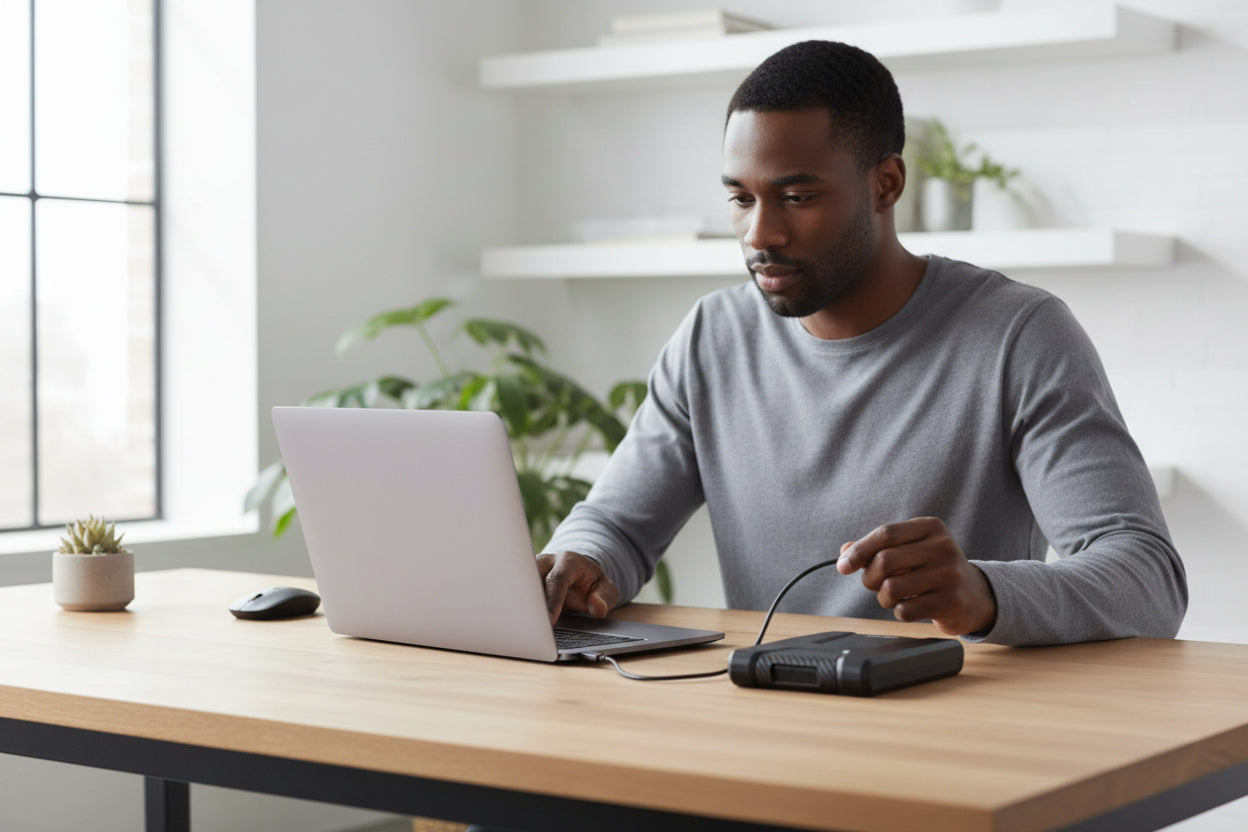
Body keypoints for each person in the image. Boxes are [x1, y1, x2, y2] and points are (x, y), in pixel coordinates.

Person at [537, 40, 1187, 647]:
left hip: (957, 732)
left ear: (886, 184)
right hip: (766, 715)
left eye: (796, 196)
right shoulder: (713, 337)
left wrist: (985, 593)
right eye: (741, 198)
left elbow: (1148, 581)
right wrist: (581, 561)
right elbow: (616, 525)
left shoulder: (1020, 336)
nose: (760, 234)